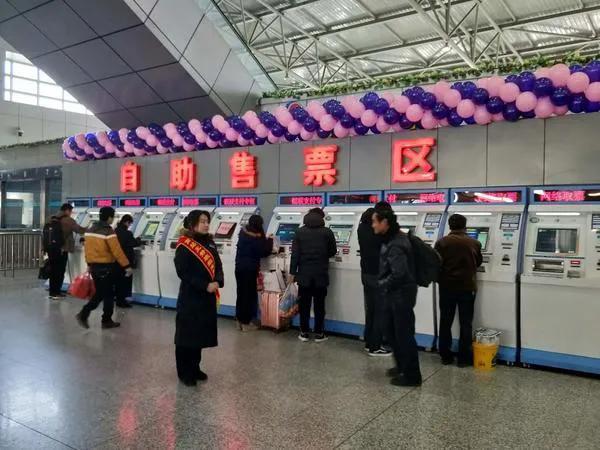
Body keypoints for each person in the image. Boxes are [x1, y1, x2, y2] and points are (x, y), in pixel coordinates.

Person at [173, 210, 224, 386]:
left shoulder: (210, 242)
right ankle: (184, 372)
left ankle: (195, 367)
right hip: (191, 297)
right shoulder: (184, 245)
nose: (206, 224)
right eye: (202, 221)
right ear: (192, 223)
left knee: (200, 335)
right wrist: (204, 285)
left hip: (207, 298)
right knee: (186, 336)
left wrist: (218, 281)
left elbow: (218, 265)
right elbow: (183, 272)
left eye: (207, 221)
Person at [372, 208, 422, 387]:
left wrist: (381, 284)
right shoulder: (392, 238)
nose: (373, 225)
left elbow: (399, 274)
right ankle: (402, 366)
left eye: (375, 221)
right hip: (395, 294)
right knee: (391, 332)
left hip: (400, 295)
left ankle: (412, 375)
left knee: (403, 335)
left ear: (385, 222)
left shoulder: (396, 244)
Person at [434, 214, 483, 367]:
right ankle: (464, 358)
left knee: (445, 321)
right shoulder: (475, 242)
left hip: (447, 287)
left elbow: (436, 263)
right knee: (466, 323)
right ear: (465, 226)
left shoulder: (442, 242)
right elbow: (478, 262)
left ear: (449, 226)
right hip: (467, 287)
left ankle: (445, 356)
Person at [76, 207, 131, 329]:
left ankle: (86, 314)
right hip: (106, 267)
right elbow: (117, 251)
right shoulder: (108, 231)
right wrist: (126, 266)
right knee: (108, 294)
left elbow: (88, 249)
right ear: (109, 217)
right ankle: (101, 318)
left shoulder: (90, 230)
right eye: (113, 216)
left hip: (94, 267)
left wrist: (89, 264)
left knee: (100, 292)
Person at [290, 207, 337, 343]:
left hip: (304, 275)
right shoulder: (327, 232)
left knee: (304, 305)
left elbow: (295, 254)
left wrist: (292, 272)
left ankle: (304, 332)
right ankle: (319, 333)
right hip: (320, 274)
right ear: (321, 217)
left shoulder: (299, 232)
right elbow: (333, 251)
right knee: (319, 305)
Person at [358, 203, 393, 357]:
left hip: (366, 272)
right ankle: (375, 346)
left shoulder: (361, 227)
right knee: (380, 310)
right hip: (379, 274)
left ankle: (369, 341)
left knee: (371, 309)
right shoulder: (379, 228)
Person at [235, 214, 273, 331]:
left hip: (239, 268)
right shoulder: (256, 236)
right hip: (250, 269)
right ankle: (246, 323)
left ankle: (239, 320)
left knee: (241, 294)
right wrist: (270, 240)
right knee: (248, 295)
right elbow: (264, 252)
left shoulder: (243, 233)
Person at [48, 203, 86, 300]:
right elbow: (80, 230)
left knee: (53, 271)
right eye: (71, 211)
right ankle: (56, 293)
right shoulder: (68, 220)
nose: (71, 213)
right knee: (60, 271)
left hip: (51, 248)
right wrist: (90, 228)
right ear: (67, 211)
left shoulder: (51, 218)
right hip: (62, 249)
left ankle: (52, 292)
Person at [114, 215, 142, 308]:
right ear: (126, 222)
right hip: (126, 261)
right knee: (125, 281)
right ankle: (122, 301)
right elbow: (133, 243)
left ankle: (119, 300)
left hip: (116, 260)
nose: (129, 225)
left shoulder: (115, 231)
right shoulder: (127, 233)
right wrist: (138, 240)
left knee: (118, 281)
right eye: (129, 224)